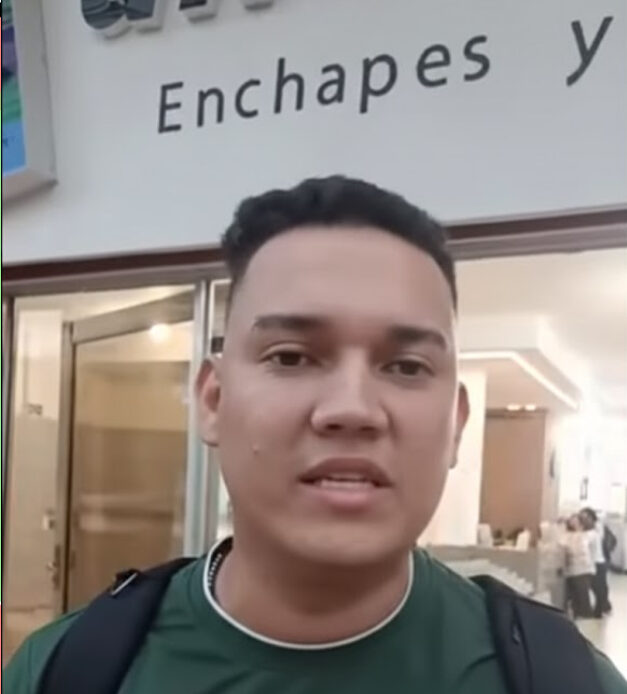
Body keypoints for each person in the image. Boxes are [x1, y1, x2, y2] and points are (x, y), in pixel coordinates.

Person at [4, 177, 626, 693]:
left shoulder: (560, 679)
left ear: (456, 424)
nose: (353, 410)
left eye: (406, 367)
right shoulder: (67, 669)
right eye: (291, 357)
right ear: (214, 400)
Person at [580, 508, 613, 617]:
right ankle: (604, 606)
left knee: (598, 587)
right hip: (594, 563)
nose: (584, 520)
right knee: (598, 587)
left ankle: (599, 610)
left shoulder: (595, 531)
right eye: (582, 518)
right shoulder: (587, 532)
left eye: (586, 517)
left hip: (598, 562)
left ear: (592, 518)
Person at [563, 513, 595, 619]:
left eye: (575, 520)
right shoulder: (568, 535)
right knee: (574, 594)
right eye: (571, 520)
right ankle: (576, 613)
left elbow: (582, 551)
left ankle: (584, 614)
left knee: (582, 594)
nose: (572, 522)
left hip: (583, 569)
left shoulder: (587, 535)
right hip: (571, 569)